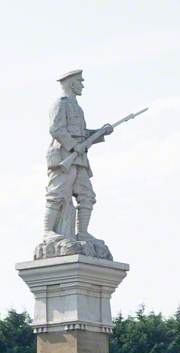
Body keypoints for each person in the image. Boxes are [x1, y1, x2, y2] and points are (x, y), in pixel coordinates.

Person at [43, 69, 113, 244]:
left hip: (79, 159)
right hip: (63, 156)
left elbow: (81, 135)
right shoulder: (61, 103)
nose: (82, 85)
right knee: (57, 195)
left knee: (87, 195)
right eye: (79, 81)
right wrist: (74, 146)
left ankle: (82, 233)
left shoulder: (77, 107)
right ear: (71, 83)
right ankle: (47, 231)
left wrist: (100, 132)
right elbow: (56, 129)